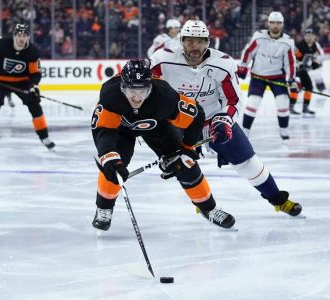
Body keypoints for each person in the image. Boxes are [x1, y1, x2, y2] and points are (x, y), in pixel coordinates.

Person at [150, 20, 302, 218]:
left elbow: (233, 100)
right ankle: (204, 204)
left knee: (249, 163)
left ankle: (278, 200)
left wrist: (224, 121)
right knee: (185, 167)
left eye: (200, 41)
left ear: (208, 42)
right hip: (179, 123)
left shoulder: (223, 63)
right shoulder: (162, 60)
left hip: (213, 119)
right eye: (189, 41)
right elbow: (148, 94)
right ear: (182, 41)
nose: (195, 46)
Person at [91, 59, 235, 231]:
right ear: (123, 86)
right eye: (132, 90)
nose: (137, 98)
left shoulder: (165, 96)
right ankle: (104, 208)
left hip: (158, 127)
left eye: (142, 90)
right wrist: (109, 156)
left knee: (186, 165)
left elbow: (196, 116)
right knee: (111, 167)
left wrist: (187, 148)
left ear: (150, 87)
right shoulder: (110, 94)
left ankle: (209, 209)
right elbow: (104, 130)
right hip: (121, 130)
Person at [0, 24, 55, 151]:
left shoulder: (33, 51)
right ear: (14, 36)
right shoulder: (2, 44)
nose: (21, 38)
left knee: (35, 105)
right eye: (19, 35)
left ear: (28, 37)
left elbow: (35, 73)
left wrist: (34, 87)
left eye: (24, 36)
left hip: (22, 82)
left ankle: (45, 138)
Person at [237, 11, 297, 140]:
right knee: (253, 103)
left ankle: (283, 129)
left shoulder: (288, 42)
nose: (275, 25)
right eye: (273, 22)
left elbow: (290, 63)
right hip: (258, 77)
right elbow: (248, 52)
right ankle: (246, 130)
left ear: (282, 25)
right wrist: (243, 65)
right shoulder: (259, 37)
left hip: (277, 77)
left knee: (283, 103)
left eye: (278, 23)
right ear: (268, 23)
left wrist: (292, 79)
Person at [289, 28, 325, 116]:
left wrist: (314, 64)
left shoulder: (315, 46)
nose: (309, 38)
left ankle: (305, 108)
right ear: (304, 37)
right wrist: (299, 64)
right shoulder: (299, 45)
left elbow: (314, 58)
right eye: (307, 36)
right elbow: (292, 57)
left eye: (311, 36)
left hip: (302, 69)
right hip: (292, 68)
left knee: (309, 87)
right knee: (295, 87)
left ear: (314, 37)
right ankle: (291, 107)